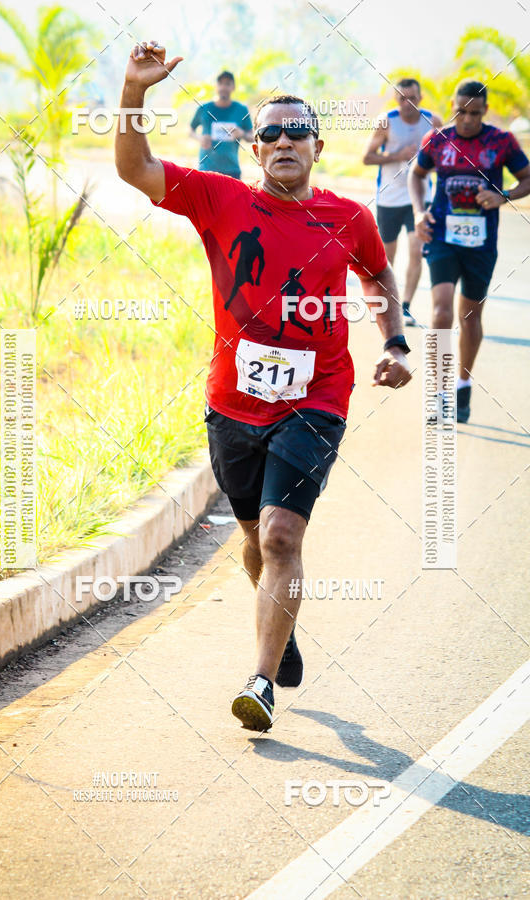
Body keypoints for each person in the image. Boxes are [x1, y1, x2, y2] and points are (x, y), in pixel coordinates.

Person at [115, 40, 412, 732]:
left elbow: (379, 276)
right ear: (253, 150)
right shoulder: (219, 199)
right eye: (269, 132)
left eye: (296, 131)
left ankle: (260, 681)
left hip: (316, 397)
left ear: (316, 146)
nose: (282, 140)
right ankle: (282, 628)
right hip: (232, 404)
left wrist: (395, 341)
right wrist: (134, 91)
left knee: (281, 537)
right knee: (252, 536)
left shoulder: (349, 219)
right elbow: (136, 168)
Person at [409, 79, 530, 423]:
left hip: (481, 243)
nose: (467, 120)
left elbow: (527, 178)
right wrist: (419, 212)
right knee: (441, 310)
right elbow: (416, 176)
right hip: (442, 236)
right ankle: (439, 391)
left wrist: (503, 195)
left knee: (470, 316)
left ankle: (463, 383)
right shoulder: (437, 139)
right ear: (452, 106)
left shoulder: (501, 141)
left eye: (474, 114)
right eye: (461, 112)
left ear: (485, 111)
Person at [364, 78, 442, 326]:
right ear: (396, 100)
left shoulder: (433, 121)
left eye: (413, 98)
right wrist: (397, 155)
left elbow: (445, 156)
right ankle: (387, 302)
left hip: (419, 197)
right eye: (402, 99)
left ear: (420, 98)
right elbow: (367, 157)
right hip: (389, 198)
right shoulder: (387, 121)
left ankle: (405, 307)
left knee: (416, 252)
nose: (408, 104)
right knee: (387, 258)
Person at [189, 70, 253, 179]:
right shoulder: (204, 108)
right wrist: (199, 138)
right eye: (221, 83)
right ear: (216, 86)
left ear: (233, 87)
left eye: (227, 84)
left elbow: (252, 137)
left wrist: (241, 133)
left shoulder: (241, 110)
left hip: (232, 171)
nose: (223, 87)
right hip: (206, 170)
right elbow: (190, 130)